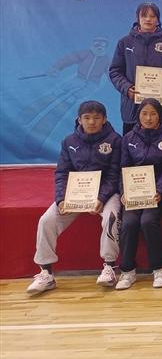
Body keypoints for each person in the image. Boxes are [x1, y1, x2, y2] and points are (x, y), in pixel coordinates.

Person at [26, 101, 122, 294]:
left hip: (106, 194)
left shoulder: (115, 140)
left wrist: (101, 198)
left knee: (111, 218)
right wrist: (61, 199)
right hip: (75, 194)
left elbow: (114, 175)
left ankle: (110, 267)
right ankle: (46, 272)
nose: (92, 122)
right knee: (46, 220)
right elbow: (62, 173)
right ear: (79, 120)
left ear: (104, 119)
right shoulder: (69, 142)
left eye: (96, 118)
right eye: (87, 118)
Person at [116, 98, 162, 290]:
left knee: (148, 220)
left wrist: (160, 191)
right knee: (129, 222)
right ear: (138, 115)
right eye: (144, 113)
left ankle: (159, 268)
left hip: (158, 193)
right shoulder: (128, 139)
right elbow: (123, 168)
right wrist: (124, 192)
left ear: (160, 116)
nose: (148, 118)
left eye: (153, 114)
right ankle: (127, 271)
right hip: (134, 193)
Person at [109, 2, 162, 135]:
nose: (148, 19)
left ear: (158, 19)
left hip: (161, 110)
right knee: (131, 144)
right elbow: (115, 71)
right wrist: (127, 88)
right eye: (144, 16)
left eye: (152, 16)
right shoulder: (125, 43)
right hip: (132, 108)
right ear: (138, 18)